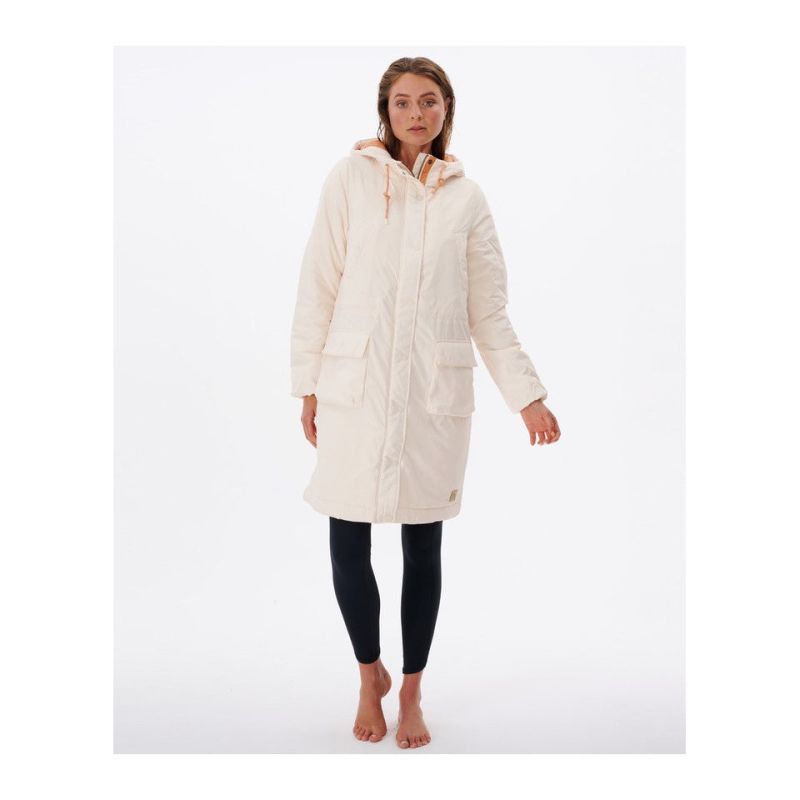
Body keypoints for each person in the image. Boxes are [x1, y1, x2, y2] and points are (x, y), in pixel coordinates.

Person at [290, 57, 561, 749]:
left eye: (429, 101)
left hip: (432, 399)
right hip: (354, 390)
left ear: (447, 110)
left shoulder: (467, 200)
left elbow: (487, 311)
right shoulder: (349, 179)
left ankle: (411, 688)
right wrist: (308, 384)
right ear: (385, 110)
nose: (417, 113)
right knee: (347, 538)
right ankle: (368, 674)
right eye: (404, 102)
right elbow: (318, 285)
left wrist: (527, 396)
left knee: (423, 546)